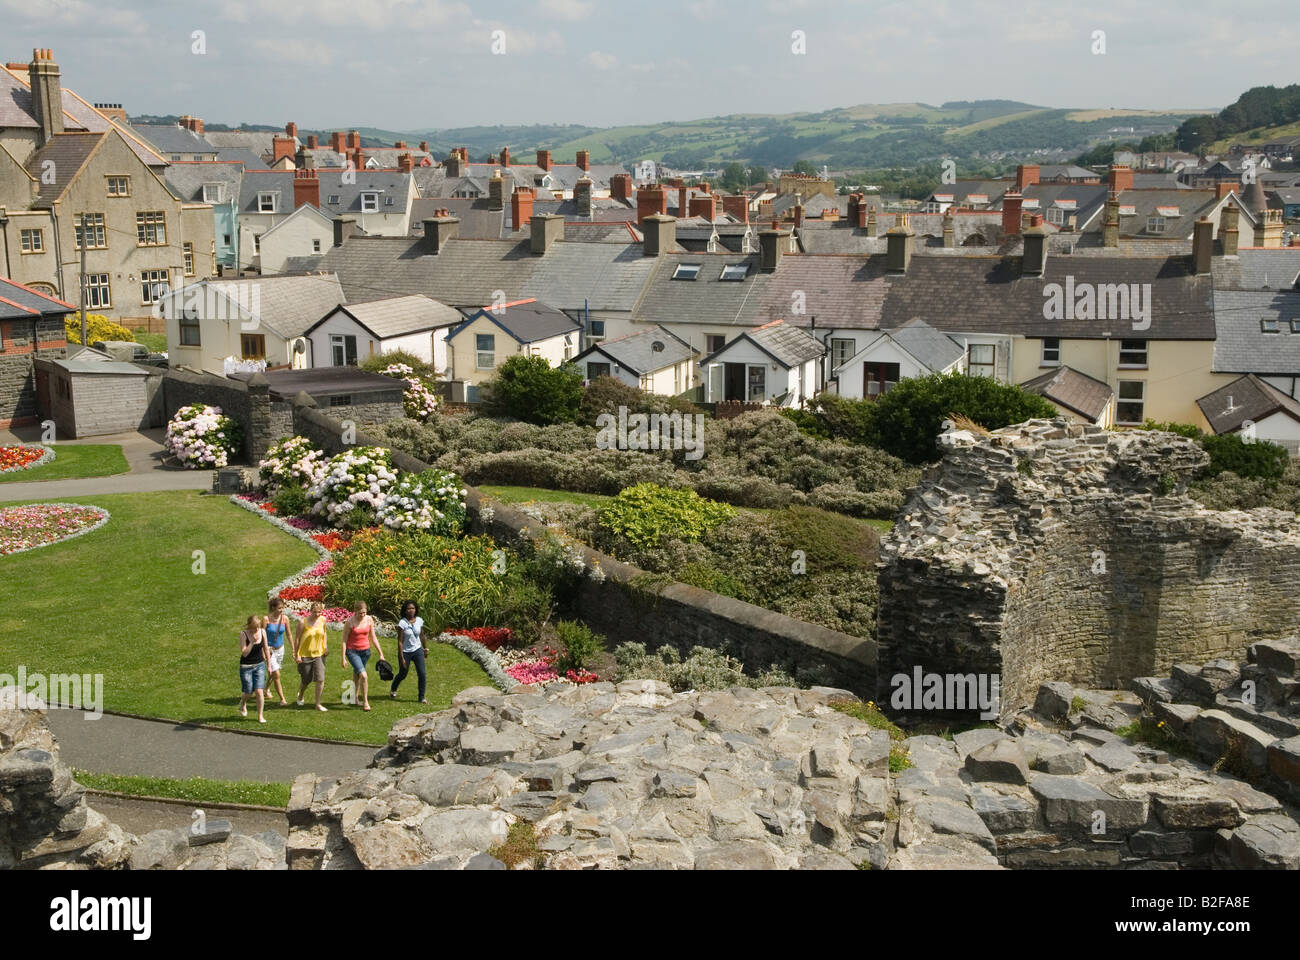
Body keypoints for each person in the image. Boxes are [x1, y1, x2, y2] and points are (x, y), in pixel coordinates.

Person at [342, 601, 384, 712]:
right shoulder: (350, 622)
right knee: (364, 676)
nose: (362, 615)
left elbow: (373, 637)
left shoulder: (369, 620)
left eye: (364, 613)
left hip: (365, 652)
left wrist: (381, 653)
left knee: (357, 673)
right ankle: (365, 702)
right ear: (355, 612)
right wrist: (343, 657)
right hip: (352, 652)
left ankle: (354, 698)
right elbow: (344, 640)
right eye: (360, 613)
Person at [293, 602, 329, 712]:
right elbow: (297, 639)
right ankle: (301, 694)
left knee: (320, 679)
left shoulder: (323, 620)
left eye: (319, 612)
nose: (317, 614)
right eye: (315, 612)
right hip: (305, 655)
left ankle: (318, 704)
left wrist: (325, 646)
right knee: (306, 679)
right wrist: (297, 654)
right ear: (310, 611)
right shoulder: (303, 622)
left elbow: (324, 633)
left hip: (319, 653)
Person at [390, 600, 429, 704]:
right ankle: (393, 688)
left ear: (415, 610)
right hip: (406, 652)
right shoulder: (402, 623)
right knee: (403, 673)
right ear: (405, 611)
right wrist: (401, 657)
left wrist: (425, 649)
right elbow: (400, 641)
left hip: (417, 650)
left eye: (413, 608)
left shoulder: (419, 620)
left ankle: (421, 697)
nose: (411, 610)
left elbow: (422, 635)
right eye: (408, 609)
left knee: (422, 674)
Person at [238, 615, 269, 724]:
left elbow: (265, 648)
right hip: (246, 667)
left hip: (259, 665)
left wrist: (269, 664)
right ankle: (243, 703)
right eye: (254, 628)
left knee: (259, 692)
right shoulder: (244, 634)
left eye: (258, 627)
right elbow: (244, 653)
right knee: (248, 692)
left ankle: (260, 716)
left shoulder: (262, 632)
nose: (256, 630)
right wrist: (251, 642)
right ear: (249, 626)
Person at [263, 598, 291, 707]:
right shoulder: (266, 619)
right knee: (276, 674)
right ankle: (282, 699)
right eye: (279, 608)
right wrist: (264, 649)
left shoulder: (285, 619)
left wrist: (294, 649)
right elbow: (261, 634)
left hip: (280, 649)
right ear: (273, 608)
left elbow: (289, 634)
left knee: (273, 673)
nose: (281, 610)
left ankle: (265, 689)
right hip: (269, 650)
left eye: (282, 607)